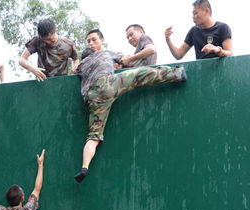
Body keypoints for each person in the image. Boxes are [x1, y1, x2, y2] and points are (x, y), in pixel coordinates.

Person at [73, 29, 186, 183]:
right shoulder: (105, 53)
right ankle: (177, 74)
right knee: (138, 75)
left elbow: (75, 70)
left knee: (93, 136)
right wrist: (123, 59)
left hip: (90, 98)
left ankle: (84, 167)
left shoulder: (81, 66)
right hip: (106, 85)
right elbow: (127, 61)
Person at [164, 0, 233, 60]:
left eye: (195, 13)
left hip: (220, 70)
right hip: (201, 70)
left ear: (206, 11)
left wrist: (218, 50)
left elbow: (230, 54)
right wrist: (168, 39)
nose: (193, 17)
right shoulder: (194, 31)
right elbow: (179, 55)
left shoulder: (222, 28)